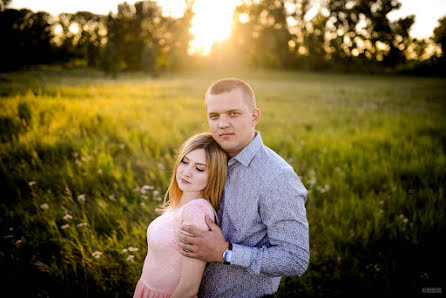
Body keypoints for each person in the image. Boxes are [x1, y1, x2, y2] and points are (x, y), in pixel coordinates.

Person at [178, 78, 310, 297]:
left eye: (233, 114)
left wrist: (226, 252)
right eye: (214, 116)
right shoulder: (206, 160)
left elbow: (295, 258)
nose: (222, 124)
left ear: (254, 116)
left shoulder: (277, 177)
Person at [133, 133, 228, 298]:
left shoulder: (196, 212)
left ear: (214, 176)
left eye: (199, 168)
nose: (186, 172)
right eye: (184, 162)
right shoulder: (181, 204)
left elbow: (189, 288)